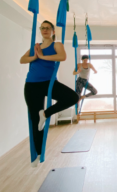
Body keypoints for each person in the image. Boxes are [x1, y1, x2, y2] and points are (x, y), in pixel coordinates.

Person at [21, 20, 79, 167]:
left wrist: (42, 57)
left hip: (49, 83)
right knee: (35, 121)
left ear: (53, 31)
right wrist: (35, 56)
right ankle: (38, 154)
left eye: (48, 28)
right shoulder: (35, 47)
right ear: (40, 30)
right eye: (43, 28)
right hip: (32, 85)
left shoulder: (56, 45)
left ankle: (46, 113)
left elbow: (62, 57)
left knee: (73, 97)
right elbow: (22, 60)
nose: (45, 30)